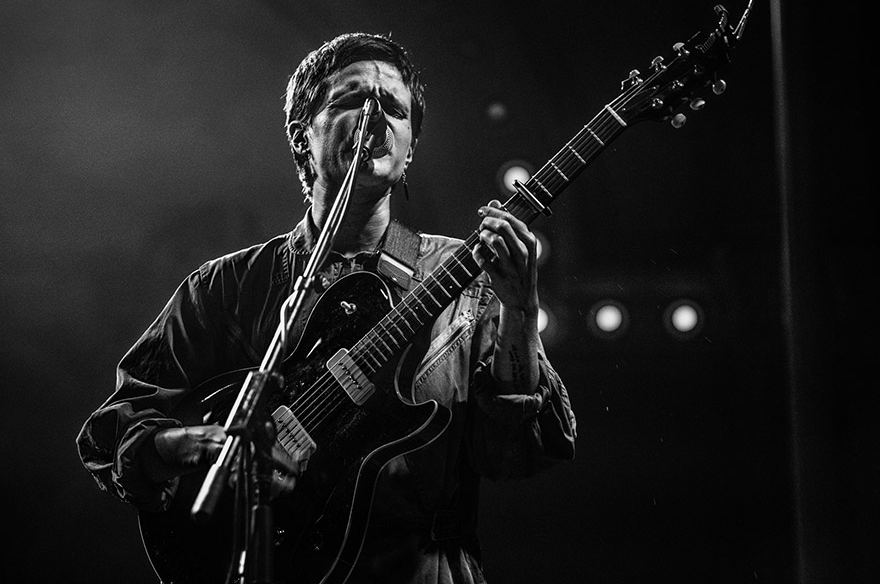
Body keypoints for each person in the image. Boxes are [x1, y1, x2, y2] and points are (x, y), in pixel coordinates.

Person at [76, 32, 576, 584]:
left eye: (394, 109)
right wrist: (189, 445)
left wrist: (520, 310)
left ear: (410, 150)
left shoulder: (467, 280)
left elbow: (517, 453)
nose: (375, 117)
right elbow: (113, 428)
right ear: (302, 136)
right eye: (352, 100)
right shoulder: (226, 287)